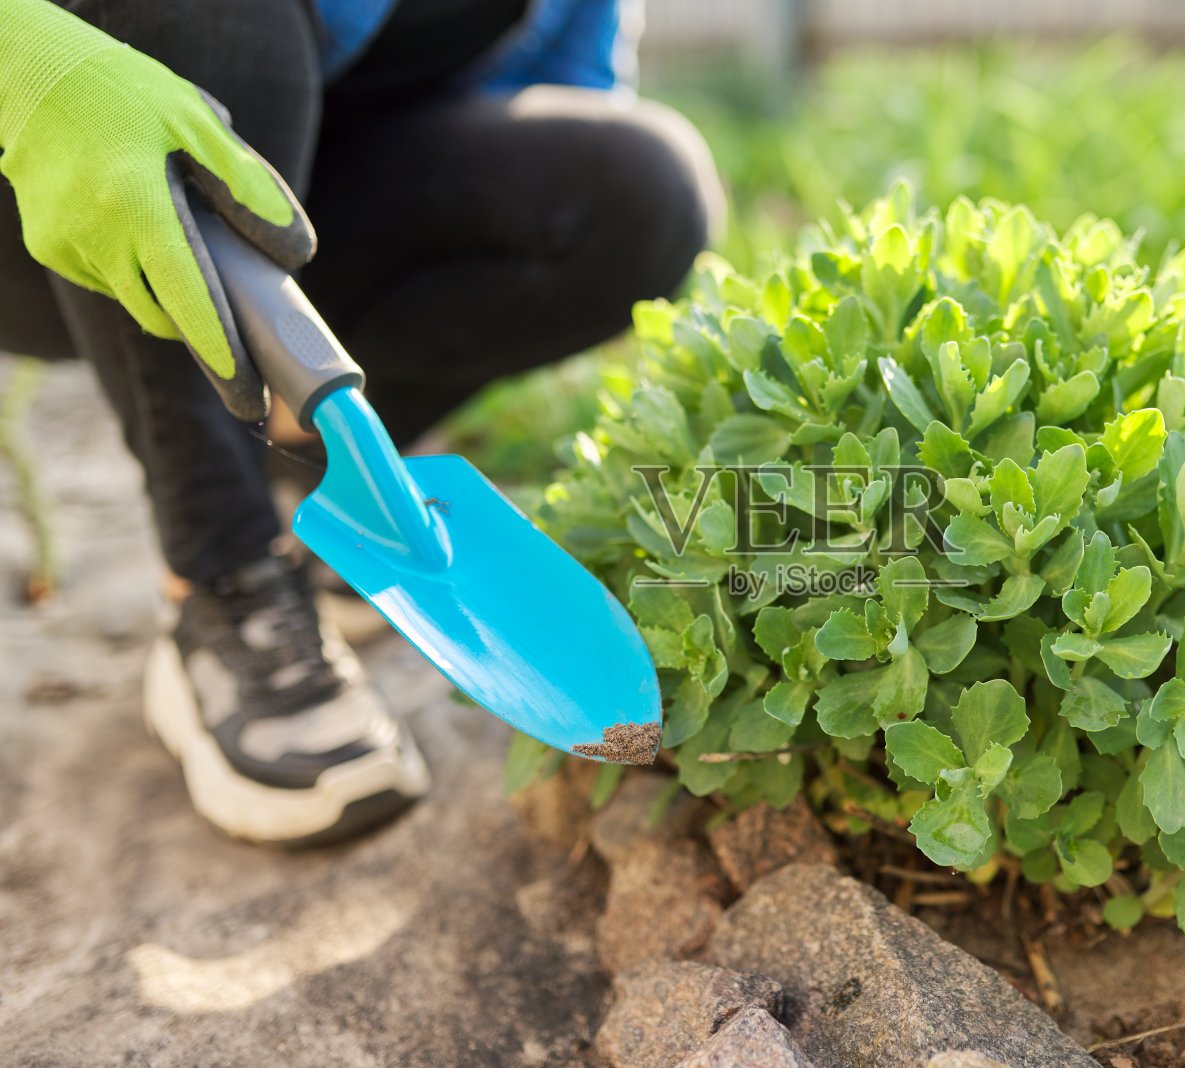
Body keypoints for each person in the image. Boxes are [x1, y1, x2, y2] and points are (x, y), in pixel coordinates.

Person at [0, 0, 722, 845]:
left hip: (295, 215)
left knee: (640, 188)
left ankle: (334, 484)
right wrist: (34, 67)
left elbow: (543, 107)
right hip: (59, 168)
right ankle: (220, 574)